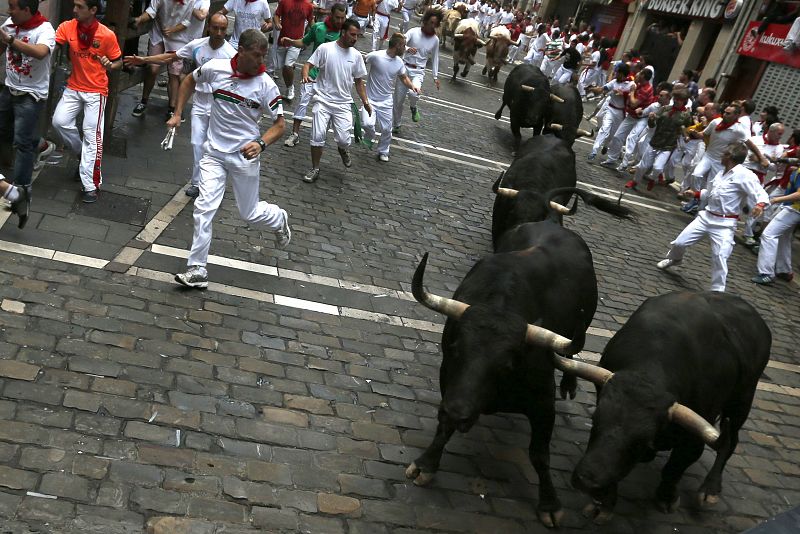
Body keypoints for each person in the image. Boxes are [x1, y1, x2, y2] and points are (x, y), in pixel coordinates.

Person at [168, 29, 290, 288]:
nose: (261, 61)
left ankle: (279, 218)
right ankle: (197, 269)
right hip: (213, 154)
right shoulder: (215, 68)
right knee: (203, 208)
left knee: (250, 213)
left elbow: (280, 125)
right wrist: (178, 113)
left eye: (264, 56)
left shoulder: (266, 84)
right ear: (241, 51)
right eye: (257, 55)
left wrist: (260, 143)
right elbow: (189, 80)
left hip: (243, 158)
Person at [124, 13, 236, 199]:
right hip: (200, 102)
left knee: (216, 147)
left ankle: (216, 182)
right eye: (215, 27)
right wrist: (144, 60)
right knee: (197, 143)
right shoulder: (197, 46)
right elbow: (170, 57)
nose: (218, 32)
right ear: (208, 27)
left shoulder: (232, 55)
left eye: (222, 29)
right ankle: (196, 184)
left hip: (220, 106)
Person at [656, 143, 769, 292]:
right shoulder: (721, 172)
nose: (721, 155)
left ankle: (717, 291)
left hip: (724, 223)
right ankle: (675, 259)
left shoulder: (745, 175)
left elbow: (761, 193)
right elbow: (710, 193)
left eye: (724, 153)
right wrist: (695, 194)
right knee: (680, 243)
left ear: (730, 156)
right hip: (706, 217)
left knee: (720, 256)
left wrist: (759, 205)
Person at [52, 0, 122, 204]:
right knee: (59, 122)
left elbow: (118, 61)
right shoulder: (68, 27)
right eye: (74, 5)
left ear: (93, 10)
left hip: (96, 91)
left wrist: (111, 64)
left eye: (79, 7)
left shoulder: (106, 35)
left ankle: (91, 185)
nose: (74, 10)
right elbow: (52, 45)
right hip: (74, 86)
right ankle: (82, 156)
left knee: (93, 136)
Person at [0, 0, 56, 227]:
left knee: (21, 144)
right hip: (8, 89)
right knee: (5, 133)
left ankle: (22, 192)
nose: (8, 10)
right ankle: (41, 145)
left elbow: (41, 53)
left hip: (31, 95)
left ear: (26, 9)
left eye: (13, 7)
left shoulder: (45, 30)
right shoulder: (10, 24)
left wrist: (11, 40)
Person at [300, 18, 370, 183]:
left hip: (343, 103)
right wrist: (305, 75)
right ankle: (315, 168)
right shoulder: (326, 49)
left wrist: (365, 102)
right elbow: (308, 65)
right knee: (317, 136)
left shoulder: (357, 56)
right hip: (322, 100)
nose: (355, 38)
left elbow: (359, 81)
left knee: (344, 140)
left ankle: (342, 149)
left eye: (357, 36)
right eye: (352, 35)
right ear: (343, 32)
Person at [281, 3, 347, 148]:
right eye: (337, 17)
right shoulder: (318, 28)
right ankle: (295, 134)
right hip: (312, 73)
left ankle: (322, 135)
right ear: (331, 15)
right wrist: (291, 41)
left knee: (327, 109)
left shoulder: (345, 34)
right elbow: (304, 42)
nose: (340, 21)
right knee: (302, 102)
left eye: (343, 18)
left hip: (330, 79)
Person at [683, 104, 770, 213]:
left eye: (728, 113)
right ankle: (695, 199)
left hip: (720, 161)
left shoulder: (738, 130)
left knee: (711, 186)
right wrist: (694, 134)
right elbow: (703, 134)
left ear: (736, 115)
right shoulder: (715, 122)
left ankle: (702, 208)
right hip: (708, 155)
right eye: (724, 112)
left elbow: (750, 144)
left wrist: (761, 158)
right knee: (696, 174)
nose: (725, 115)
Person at [131, 0, 194, 120]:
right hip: (158, 34)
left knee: (174, 73)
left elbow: (187, 21)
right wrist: (139, 19)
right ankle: (144, 101)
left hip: (177, 38)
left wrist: (173, 30)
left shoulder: (191, 1)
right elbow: (151, 10)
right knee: (152, 68)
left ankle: (172, 108)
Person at [363, 32, 418, 162]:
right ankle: (369, 137)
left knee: (387, 129)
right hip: (370, 99)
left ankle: (383, 151)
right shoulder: (376, 56)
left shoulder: (399, 62)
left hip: (386, 101)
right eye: (403, 45)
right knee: (367, 124)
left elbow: (404, 78)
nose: (405, 48)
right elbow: (362, 61)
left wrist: (412, 87)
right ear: (397, 45)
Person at [625, 89, 691, 191]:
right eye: (676, 98)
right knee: (643, 166)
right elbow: (652, 125)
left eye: (680, 99)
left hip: (668, 146)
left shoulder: (686, 116)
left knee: (658, 168)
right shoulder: (665, 109)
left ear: (684, 101)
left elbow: (685, 128)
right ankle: (634, 182)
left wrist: (686, 136)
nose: (677, 101)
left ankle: (652, 179)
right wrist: (651, 119)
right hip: (655, 141)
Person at [393, 8, 440, 131]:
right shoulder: (413, 32)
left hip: (419, 71)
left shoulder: (435, 40)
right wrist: (407, 48)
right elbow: (401, 43)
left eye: (435, 24)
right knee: (398, 100)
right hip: (404, 68)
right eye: (431, 22)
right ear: (425, 21)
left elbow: (435, 58)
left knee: (414, 92)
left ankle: (413, 107)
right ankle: (396, 124)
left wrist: (435, 77)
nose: (432, 26)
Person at [752, 165, 800, 285]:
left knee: (769, 235)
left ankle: (767, 273)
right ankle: (784, 270)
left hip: (794, 209)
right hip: (792, 207)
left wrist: (775, 200)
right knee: (784, 237)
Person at [586, 63, 634, 162]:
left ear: (622, 74)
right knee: (604, 129)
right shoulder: (614, 82)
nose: (615, 74)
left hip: (621, 113)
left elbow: (634, 98)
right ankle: (594, 151)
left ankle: (606, 145)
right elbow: (601, 89)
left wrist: (624, 94)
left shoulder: (631, 85)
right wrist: (591, 88)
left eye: (617, 72)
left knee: (613, 134)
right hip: (610, 109)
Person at [273, 0, 314, 101]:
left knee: (287, 65)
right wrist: (277, 23)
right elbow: (276, 15)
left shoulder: (308, 5)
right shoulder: (284, 2)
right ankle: (291, 69)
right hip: (282, 40)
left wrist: (311, 35)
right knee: (281, 67)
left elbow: (311, 22)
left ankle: (290, 88)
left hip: (296, 42)